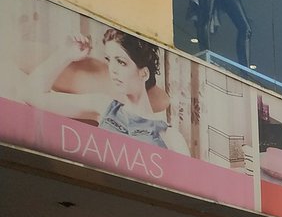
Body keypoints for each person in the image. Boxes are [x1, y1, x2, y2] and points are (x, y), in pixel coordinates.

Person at [25, 30, 188, 154]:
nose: (113, 70)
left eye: (121, 62)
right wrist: (67, 54)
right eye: (109, 60)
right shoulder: (104, 106)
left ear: (144, 73)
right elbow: (32, 95)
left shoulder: (171, 136)